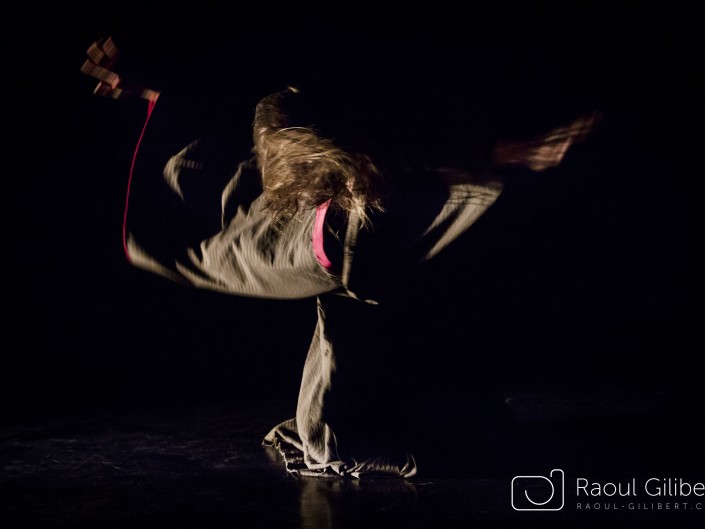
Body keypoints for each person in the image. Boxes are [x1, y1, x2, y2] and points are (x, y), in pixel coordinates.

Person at [81, 36, 600, 478]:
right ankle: (339, 437)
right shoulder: (315, 214)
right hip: (303, 244)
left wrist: (147, 89)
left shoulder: (348, 182)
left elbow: (426, 172)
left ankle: (354, 427)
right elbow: (438, 187)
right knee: (366, 274)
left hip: (331, 229)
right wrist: (519, 160)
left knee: (371, 284)